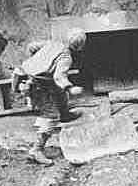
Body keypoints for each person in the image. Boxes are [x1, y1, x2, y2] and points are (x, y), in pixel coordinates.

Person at [12, 28, 87, 165]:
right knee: (51, 116)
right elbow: (59, 77)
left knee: (59, 92)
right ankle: (36, 150)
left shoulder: (52, 43)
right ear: (79, 47)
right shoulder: (66, 58)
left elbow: (31, 47)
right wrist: (71, 88)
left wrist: (37, 61)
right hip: (34, 84)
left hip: (24, 74)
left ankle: (65, 114)